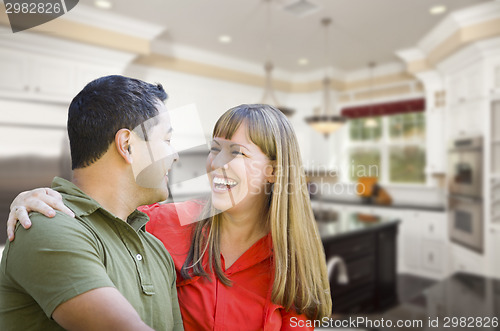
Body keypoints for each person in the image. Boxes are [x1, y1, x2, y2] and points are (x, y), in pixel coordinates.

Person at [6, 104, 332, 330]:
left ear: (273, 171)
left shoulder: (290, 264)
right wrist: (39, 197)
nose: (217, 163)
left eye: (237, 153)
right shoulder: (163, 222)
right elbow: (98, 211)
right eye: (215, 148)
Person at [0, 75, 183, 331]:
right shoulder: (46, 225)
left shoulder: (155, 250)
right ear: (127, 145)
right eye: (166, 140)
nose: (174, 156)